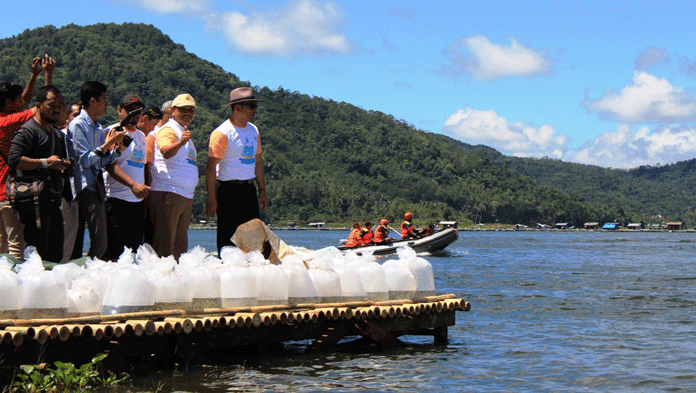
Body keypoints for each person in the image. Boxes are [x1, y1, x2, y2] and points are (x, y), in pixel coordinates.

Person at [8, 85, 71, 262]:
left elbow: (56, 162)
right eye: (51, 104)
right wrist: (45, 163)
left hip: (53, 200)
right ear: (38, 105)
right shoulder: (28, 130)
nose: (57, 109)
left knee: (55, 253)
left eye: (60, 105)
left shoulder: (57, 135)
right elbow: (14, 160)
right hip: (32, 202)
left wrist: (62, 165)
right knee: (37, 254)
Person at [0, 55, 53, 260]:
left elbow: (25, 101)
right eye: (17, 100)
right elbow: (44, 106)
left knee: (3, 245)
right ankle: (16, 285)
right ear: (8, 102)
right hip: (9, 193)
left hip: (1, 195)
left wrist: (34, 75)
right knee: (17, 245)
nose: (22, 101)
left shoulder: (6, 119)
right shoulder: (11, 122)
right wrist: (47, 75)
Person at [71, 81, 131, 259]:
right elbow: (84, 160)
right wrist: (108, 144)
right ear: (92, 100)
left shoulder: (97, 127)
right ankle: (84, 271)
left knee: (100, 241)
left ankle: (87, 271)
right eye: (103, 99)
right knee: (96, 242)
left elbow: (100, 162)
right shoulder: (77, 125)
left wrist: (118, 150)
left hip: (95, 187)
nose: (106, 104)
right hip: (83, 187)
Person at [205, 87, 268, 255]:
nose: (254, 110)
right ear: (237, 108)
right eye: (251, 106)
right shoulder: (222, 133)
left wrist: (262, 190)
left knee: (254, 239)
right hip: (228, 190)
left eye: (255, 106)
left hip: (249, 189)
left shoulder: (254, 130)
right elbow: (210, 167)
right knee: (228, 238)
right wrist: (211, 197)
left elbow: (258, 162)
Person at [149, 93, 198, 259]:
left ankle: (175, 282)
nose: (188, 113)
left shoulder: (182, 132)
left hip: (183, 195)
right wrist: (181, 142)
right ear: (172, 111)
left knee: (179, 248)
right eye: (183, 109)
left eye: (191, 110)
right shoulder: (169, 130)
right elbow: (165, 151)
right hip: (169, 192)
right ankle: (162, 282)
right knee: (164, 248)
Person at [102, 95, 150, 260]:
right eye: (130, 109)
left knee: (133, 254)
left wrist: (143, 196)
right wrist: (132, 185)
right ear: (119, 110)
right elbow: (109, 164)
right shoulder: (113, 131)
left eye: (138, 110)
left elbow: (142, 167)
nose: (135, 114)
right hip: (116, 200)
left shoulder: (141, 136)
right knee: (114, 254)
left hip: (136, 202)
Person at [59, 103, 83, 262]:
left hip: (77, 193)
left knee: (74, 236)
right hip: (61, 192)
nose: (78, 119)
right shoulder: (60, 136)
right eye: (74, 115)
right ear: (67, 119)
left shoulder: (81, 139)